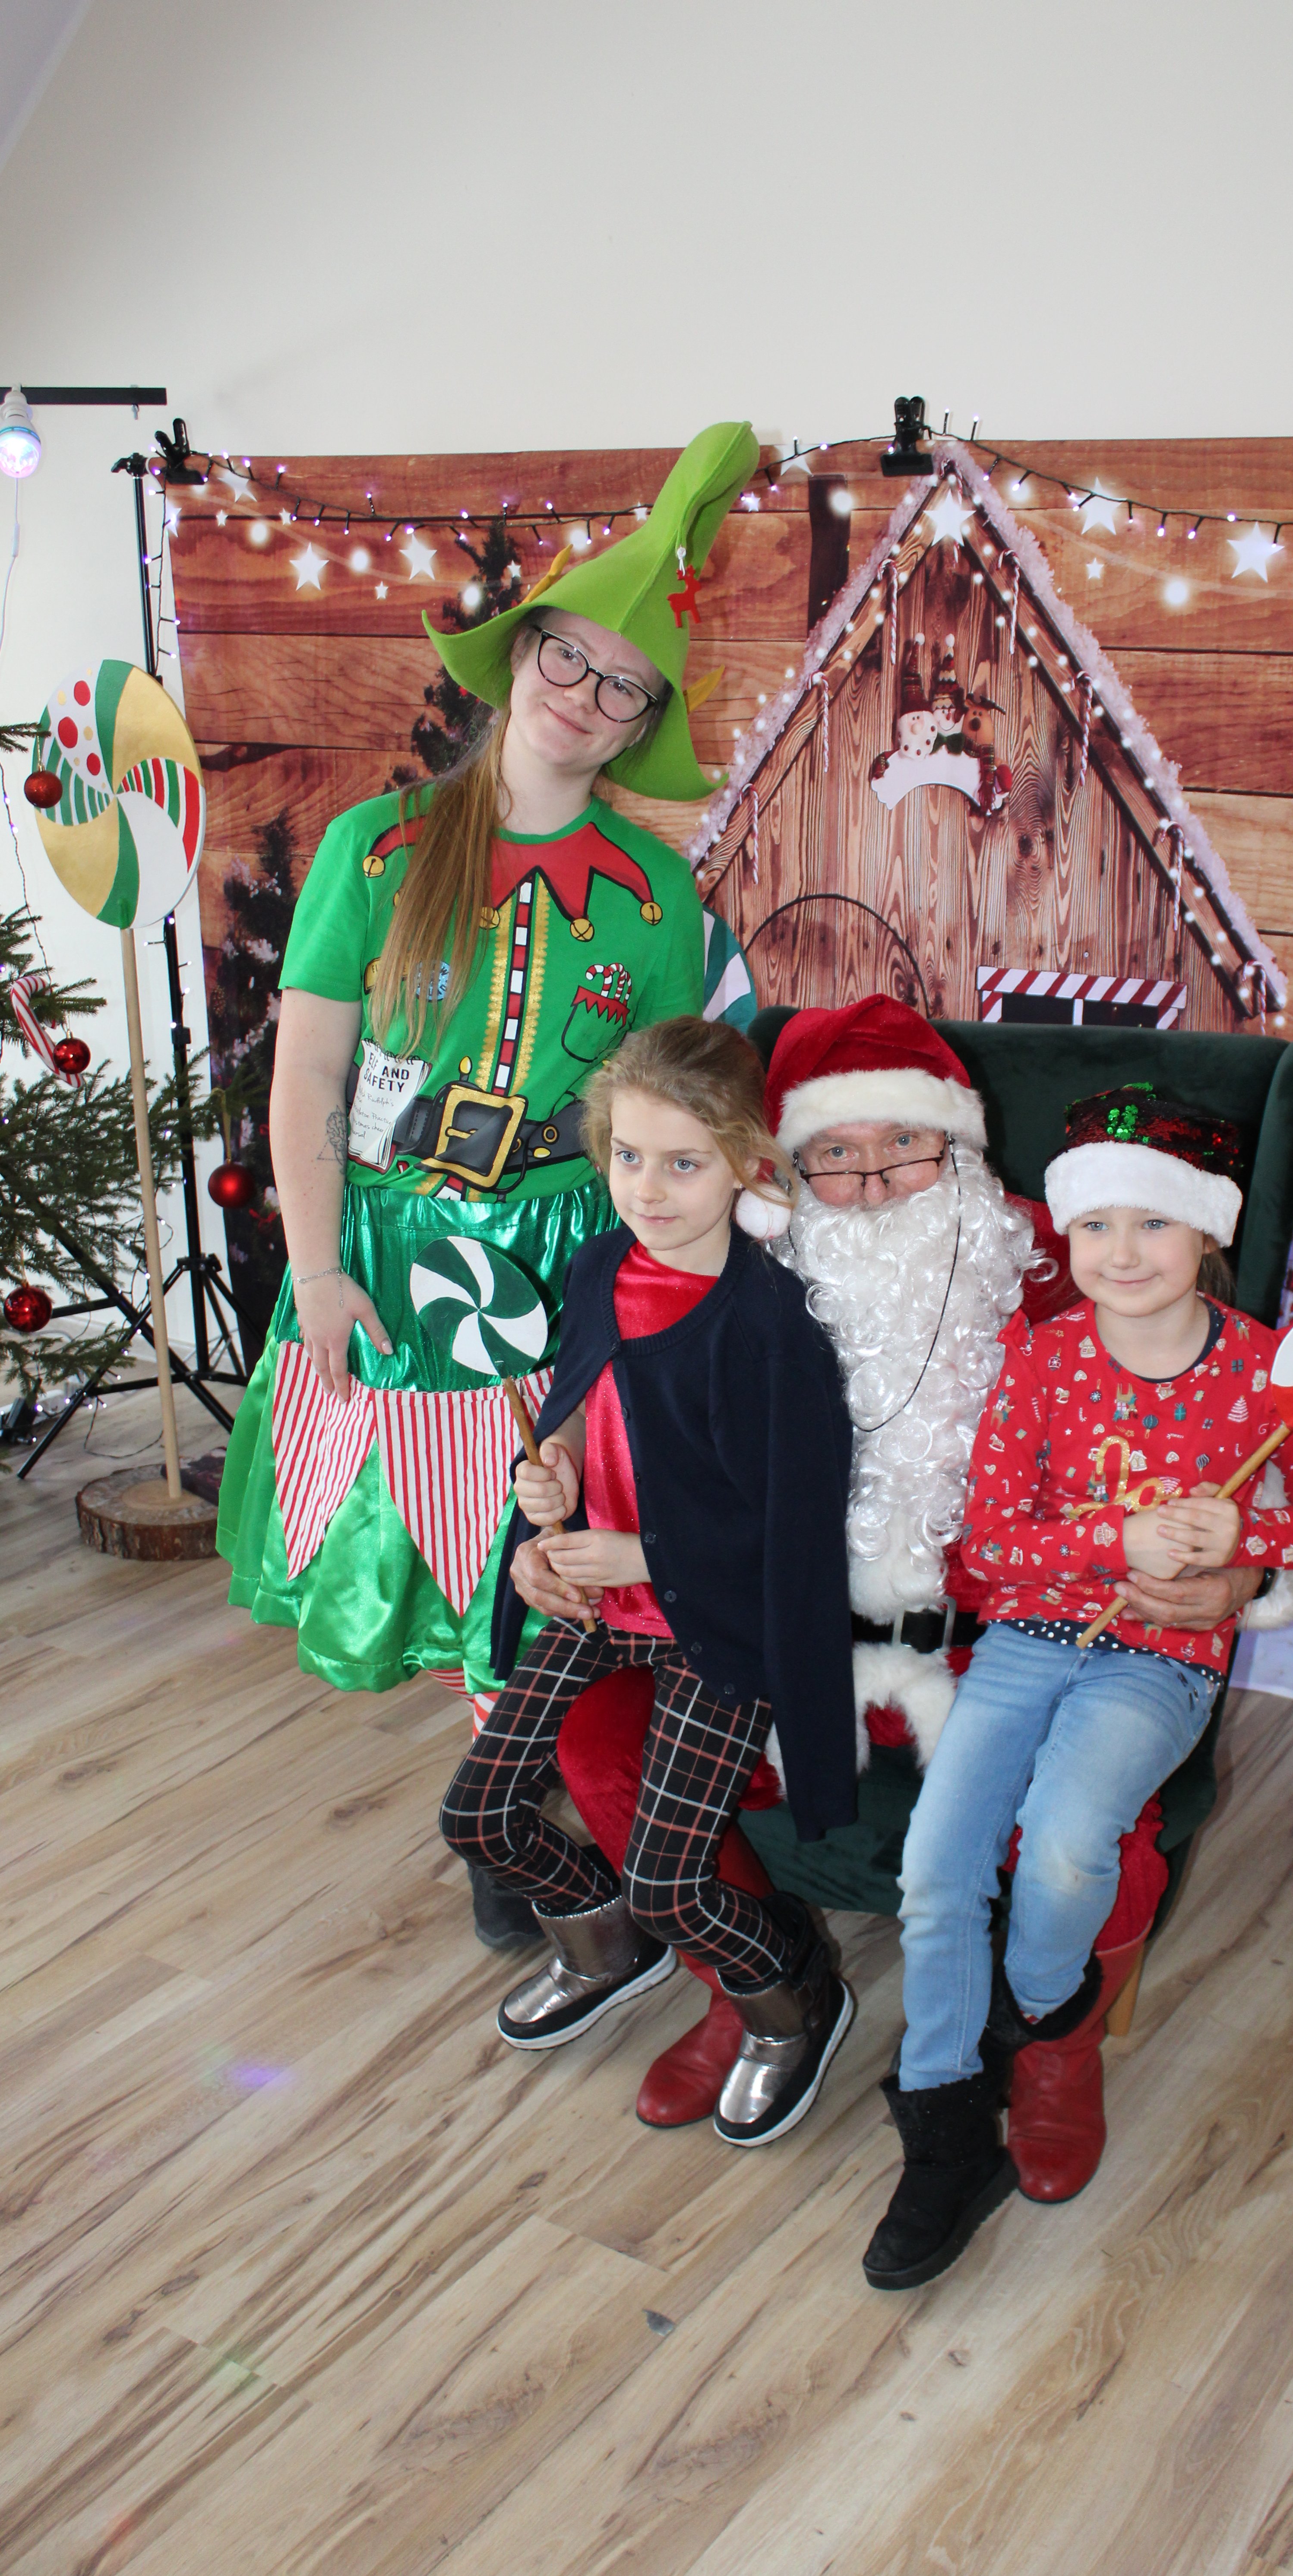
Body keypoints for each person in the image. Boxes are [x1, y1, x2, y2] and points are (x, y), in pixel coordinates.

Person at [545, 998, 1280, 2149]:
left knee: (1085, 1820)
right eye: (836, 1156)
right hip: (775, 1630)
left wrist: (1243, 1575)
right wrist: (554, 1538)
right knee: (595, 1740)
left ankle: (1056, 2045)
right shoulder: (722, 1274)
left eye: (906, 1143)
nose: (878, 1182)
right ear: (780, 1170)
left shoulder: (1062, 1262)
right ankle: (759, 1990)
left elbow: (1230, 1424)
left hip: (1008, 1631)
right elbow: (617, 1448)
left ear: (961, 1144)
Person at [215, 425, 759, 1828]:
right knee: (428, 1534)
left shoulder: (655, 899)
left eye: (624, 687)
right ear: (520, 657)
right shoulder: (377, 848)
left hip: (562, 1252)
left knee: (541, 1534)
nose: (585, 697)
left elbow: (668, 1118)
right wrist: (315, 1268)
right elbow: (308, 1078)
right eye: (569, 659)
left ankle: (512, 1826)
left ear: (642, 725)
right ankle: (508, 1830)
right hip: (389, 1244)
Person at [861, 1082, 1293, 2291]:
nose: (1123, 1251)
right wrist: (1116, 1541)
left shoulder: (1268, 1370)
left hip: (1160, 1662)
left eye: (1154, 1222)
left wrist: (1246, 1540)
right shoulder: (1039, 1361)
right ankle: (944, 2139)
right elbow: (990, 1546)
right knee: (936, 1867)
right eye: (1095, 1224)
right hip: (1029, 1643)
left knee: (1067, 1845)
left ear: (1209, 1232)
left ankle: (1041, 2010)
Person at [438, 1017, 860, 2148]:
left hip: (710, 1615)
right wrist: (550, 1489)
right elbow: (580, 1410)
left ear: (747, 1164)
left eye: (683, 1163)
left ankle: (794, 1989)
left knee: (677, 1881)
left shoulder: (771, 1328)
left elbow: (797, 1528)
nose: (649, 1190)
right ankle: (603, 1942)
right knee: (478, 1814)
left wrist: (649, 1558)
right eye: (628, 1156)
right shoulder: (600, 1268)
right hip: (603, 1601)